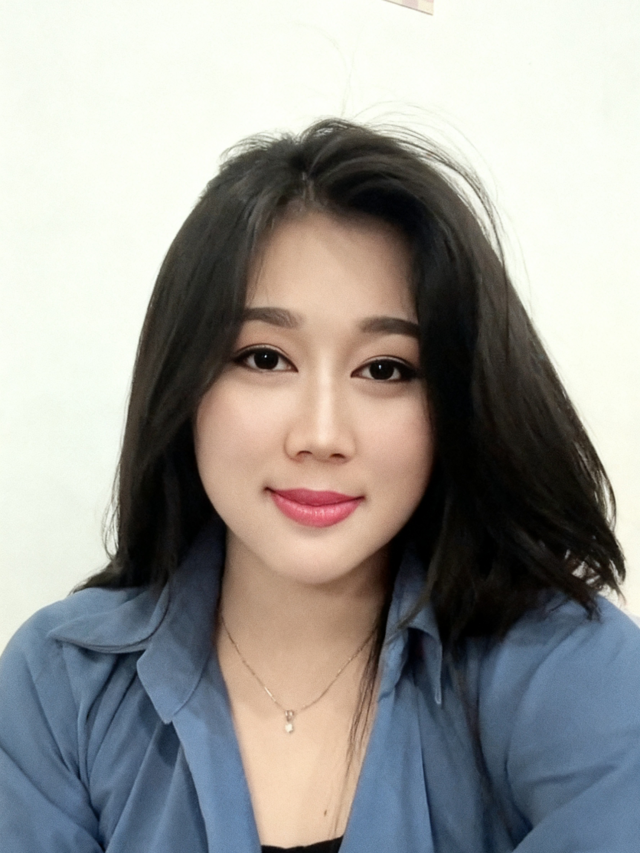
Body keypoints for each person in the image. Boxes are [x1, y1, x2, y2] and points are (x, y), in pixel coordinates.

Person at [0, 119, 638, 853]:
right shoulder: (61, 683)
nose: (322, 434)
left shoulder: (571, 673)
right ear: (184, 380)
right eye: (265, 358)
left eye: (386, 368)